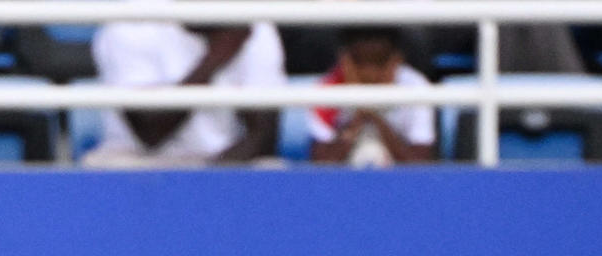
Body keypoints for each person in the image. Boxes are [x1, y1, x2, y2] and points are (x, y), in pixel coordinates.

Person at [84, 17, 284, 166]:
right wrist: (214, 59)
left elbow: (263, 137)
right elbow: (149, 132)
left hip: (221, 163)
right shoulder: (133, 22)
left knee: (270, 167)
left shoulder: (253, 24)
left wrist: (207, 182)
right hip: (136, 160)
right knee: (110, 166)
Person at [304, 29, 435, 166]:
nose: (370, 73)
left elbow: (420, 163)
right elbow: (321, 163)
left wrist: (376, 116)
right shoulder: (327, 89)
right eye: (360, 62)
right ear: (345, 60)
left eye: (379, 62)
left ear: (396, 60)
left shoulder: (415, 87)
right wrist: (357, 120)